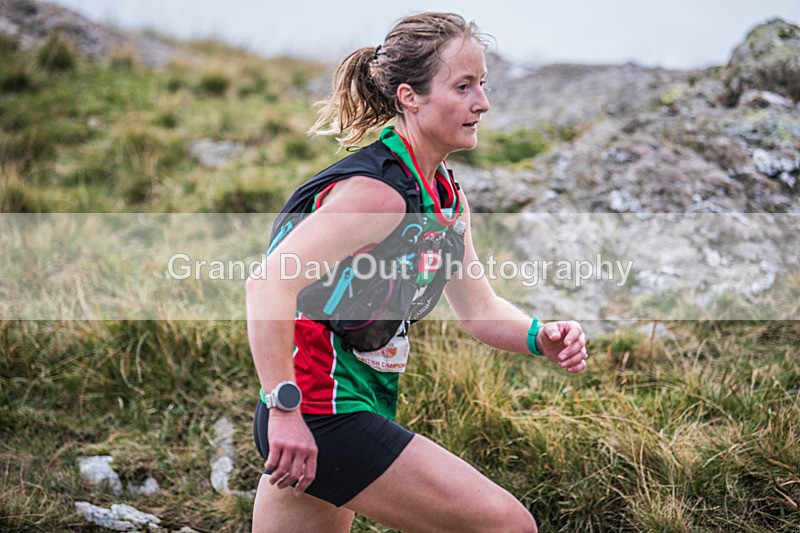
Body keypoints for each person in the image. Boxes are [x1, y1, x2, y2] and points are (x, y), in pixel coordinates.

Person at [246, 12, 588, 533]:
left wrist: (541, 336)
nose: (482, 102)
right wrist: (286, 411)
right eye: (463, 86)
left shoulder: (444, 197)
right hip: (317, 413)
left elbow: (479, 309)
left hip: (346, 407)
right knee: (508, 526)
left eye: (483, 84)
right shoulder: (379, 195)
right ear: (410, 97)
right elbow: (269, 283)